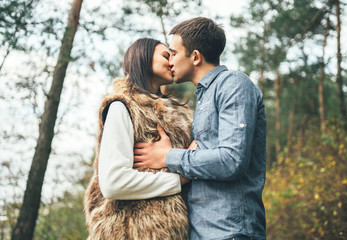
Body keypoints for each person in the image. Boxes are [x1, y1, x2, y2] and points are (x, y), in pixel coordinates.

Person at [133, 17, 267, 240]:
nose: (170, 61)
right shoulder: (204, 98)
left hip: (230, 232)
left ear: (195, 57)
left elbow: (232, 161)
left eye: (173, 53)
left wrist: (168, 156)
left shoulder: (233, 84)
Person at [84, 38, 196, 240]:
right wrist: (177, 179)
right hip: (129, 230)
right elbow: (113, 182)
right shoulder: (123, 106)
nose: (171, 61)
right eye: (165, 55)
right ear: (143, 58)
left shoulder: (179, 116)